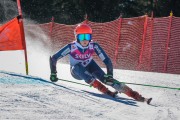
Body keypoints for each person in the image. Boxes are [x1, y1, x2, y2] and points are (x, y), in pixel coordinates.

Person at [49, 23, 152, 103]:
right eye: (82, 37)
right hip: (76, 72)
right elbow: (54, 58)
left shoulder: (93, 45)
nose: (85, 40)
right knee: (78, 67)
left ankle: (135, 95)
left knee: (105, 78)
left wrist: (110, 75)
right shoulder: (71, 47)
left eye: (87, 37)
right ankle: (103, 89)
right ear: (77, 37)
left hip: (90, 66)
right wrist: (53, 73)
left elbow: (106, 60)